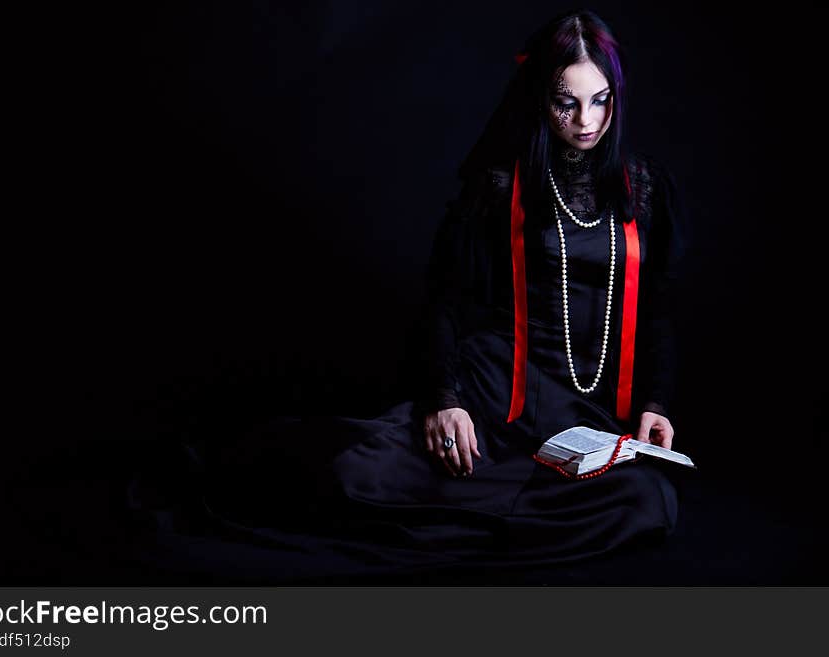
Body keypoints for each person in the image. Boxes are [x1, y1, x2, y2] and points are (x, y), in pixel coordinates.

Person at [126, 8, 690, 582]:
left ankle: (475, 522)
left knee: (647, 502)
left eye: (600, 100)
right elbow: (444, 296)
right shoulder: (500, 185)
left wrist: (655, 404)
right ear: (541, 98)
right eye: (566, 101)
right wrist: (446, 397)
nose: (586, 120)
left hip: (583, 413)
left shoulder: (642, 187)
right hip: (497, 395)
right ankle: (251, 465)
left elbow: (656, 308)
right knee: (353, 472)